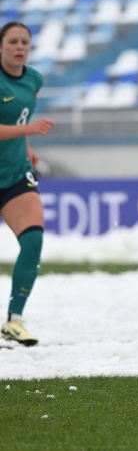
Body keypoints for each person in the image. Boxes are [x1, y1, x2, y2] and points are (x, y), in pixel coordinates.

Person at [0, 22, 55, 346]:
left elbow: (18, 120)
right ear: (1, 46)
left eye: (24, 42)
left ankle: (14, 320)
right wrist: (29, 133)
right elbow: (21, 126)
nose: (19, 47)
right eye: (12, 42)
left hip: (15, 173)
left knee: (33, 241)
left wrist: (28, 150)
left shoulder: (34, 79)